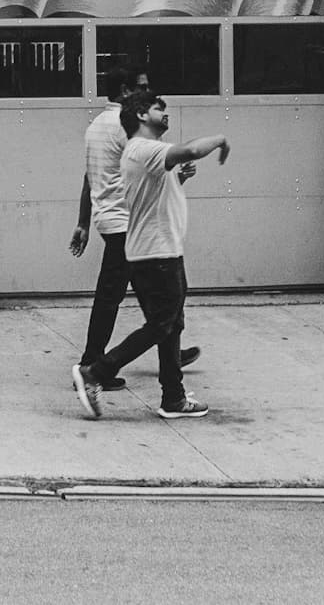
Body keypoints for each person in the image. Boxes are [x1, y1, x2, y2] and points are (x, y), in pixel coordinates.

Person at [72, 97, 229, 421]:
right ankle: (96, 372)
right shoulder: (144, 148)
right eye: (159, 108)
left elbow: (157, 193)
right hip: (157, 253)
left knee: (171, 324)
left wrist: (179, 178)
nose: (166, 112)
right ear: (142, 115)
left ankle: (173, 397)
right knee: (161, 324)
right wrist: (220, 140)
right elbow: (191, 150)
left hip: (160, 250)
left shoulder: (141, 153)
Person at [68, 75, 198, 396]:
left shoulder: (96, 124)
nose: (147, 92)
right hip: (128, 221)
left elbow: (89, 176)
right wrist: (178, 176)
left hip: (110, 219)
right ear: (125, 91)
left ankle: (169, 348)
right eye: (141, 88)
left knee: (152, 298)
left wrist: (84, 222)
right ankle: (92, 364)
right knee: (118, 296)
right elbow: (146, 173)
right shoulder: (124, 128)